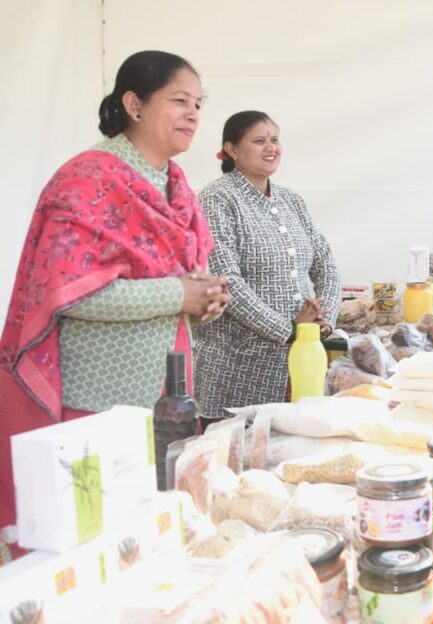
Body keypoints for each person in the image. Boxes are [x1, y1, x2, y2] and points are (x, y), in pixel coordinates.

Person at [0, 51, 227, 535]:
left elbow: (183, 286)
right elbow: (69, 295)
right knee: (96, 541)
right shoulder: (87, 181)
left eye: (198, 104)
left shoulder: (177, 187)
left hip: (169, 399)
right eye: (179, 100)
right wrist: (179, 296)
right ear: (135, 104)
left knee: (153, 536)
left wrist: (205, 300)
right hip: (99, 402)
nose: (193, 114)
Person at [193, 111, 341, 421]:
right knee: (238, 447)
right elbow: (226, 281)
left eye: (274, 139)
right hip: (236, 365)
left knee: (291, 443)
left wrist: (323, 319)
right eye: (259, 141)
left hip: (299, 358)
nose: (271, 148)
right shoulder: (216, 199)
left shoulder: (291, 201)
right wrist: (288, 330)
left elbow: (325, 262)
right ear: (232, 149)